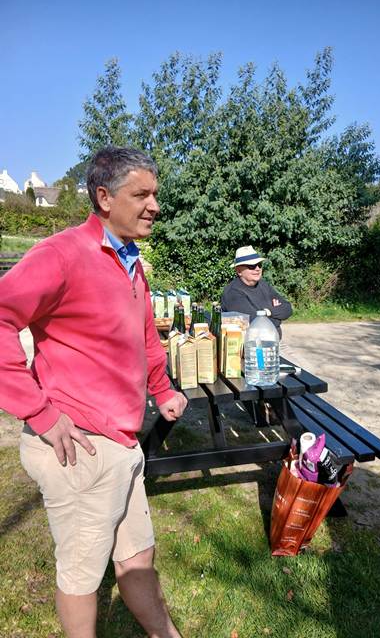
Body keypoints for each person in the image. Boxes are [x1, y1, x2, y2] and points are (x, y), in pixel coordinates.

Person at [0, 146, 187, 638]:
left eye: (155, 194)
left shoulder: (130, 260)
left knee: (138, 557)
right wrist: (39, 413)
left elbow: (144, 335)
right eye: (141, 195)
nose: (154, 205)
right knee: (82, 576)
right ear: (104, 197)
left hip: (123, 441)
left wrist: (162, 387)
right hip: (79, 446)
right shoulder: (61, 255)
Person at [221, 245, 292, 336]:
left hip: (271, 341)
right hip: (248, 343)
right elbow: (253, 324)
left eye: (259, 265)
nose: (257, 269)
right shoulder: (233, 292)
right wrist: (277, 318)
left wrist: (267, 312)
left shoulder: (263, 284)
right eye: (251, 266)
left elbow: (287, 308)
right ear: (239, 271)